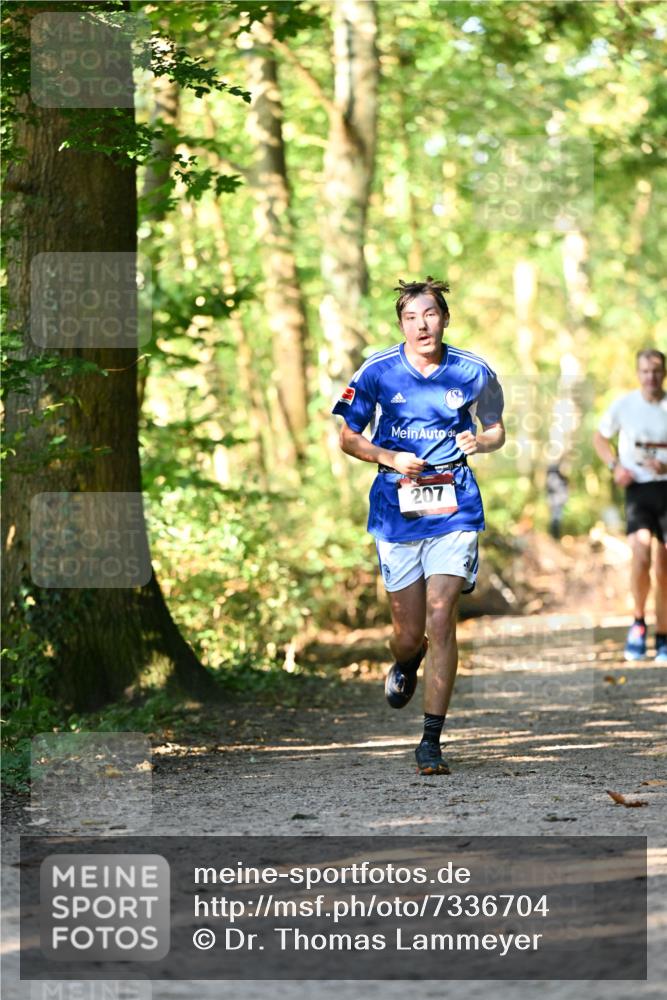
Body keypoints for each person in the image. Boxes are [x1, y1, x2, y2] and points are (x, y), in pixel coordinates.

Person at [332, 277, 505, 775]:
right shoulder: (378, 371)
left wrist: (483, 443)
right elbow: (347, 437)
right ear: (401, 325)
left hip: (455, 506)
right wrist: (388, 454)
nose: (422, 324)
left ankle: (431, 739)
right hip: (396, 507)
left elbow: (495, 427)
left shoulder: (474, 371)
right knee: (409, 635)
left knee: (440, 615)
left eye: (430, 314)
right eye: (411, 317)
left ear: (445, 318)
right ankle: (406, 663)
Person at [593, 349, 667, 662]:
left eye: (656, 371)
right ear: (638, 374)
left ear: (663, 373)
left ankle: (663, 635)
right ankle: (638, 622)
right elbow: (599, 437)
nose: (650, 376)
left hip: (666, 489)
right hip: (637, 490)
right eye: (645, 371)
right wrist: (615, 467)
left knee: (664, 566)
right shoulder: (624, 406)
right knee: (640, 555)